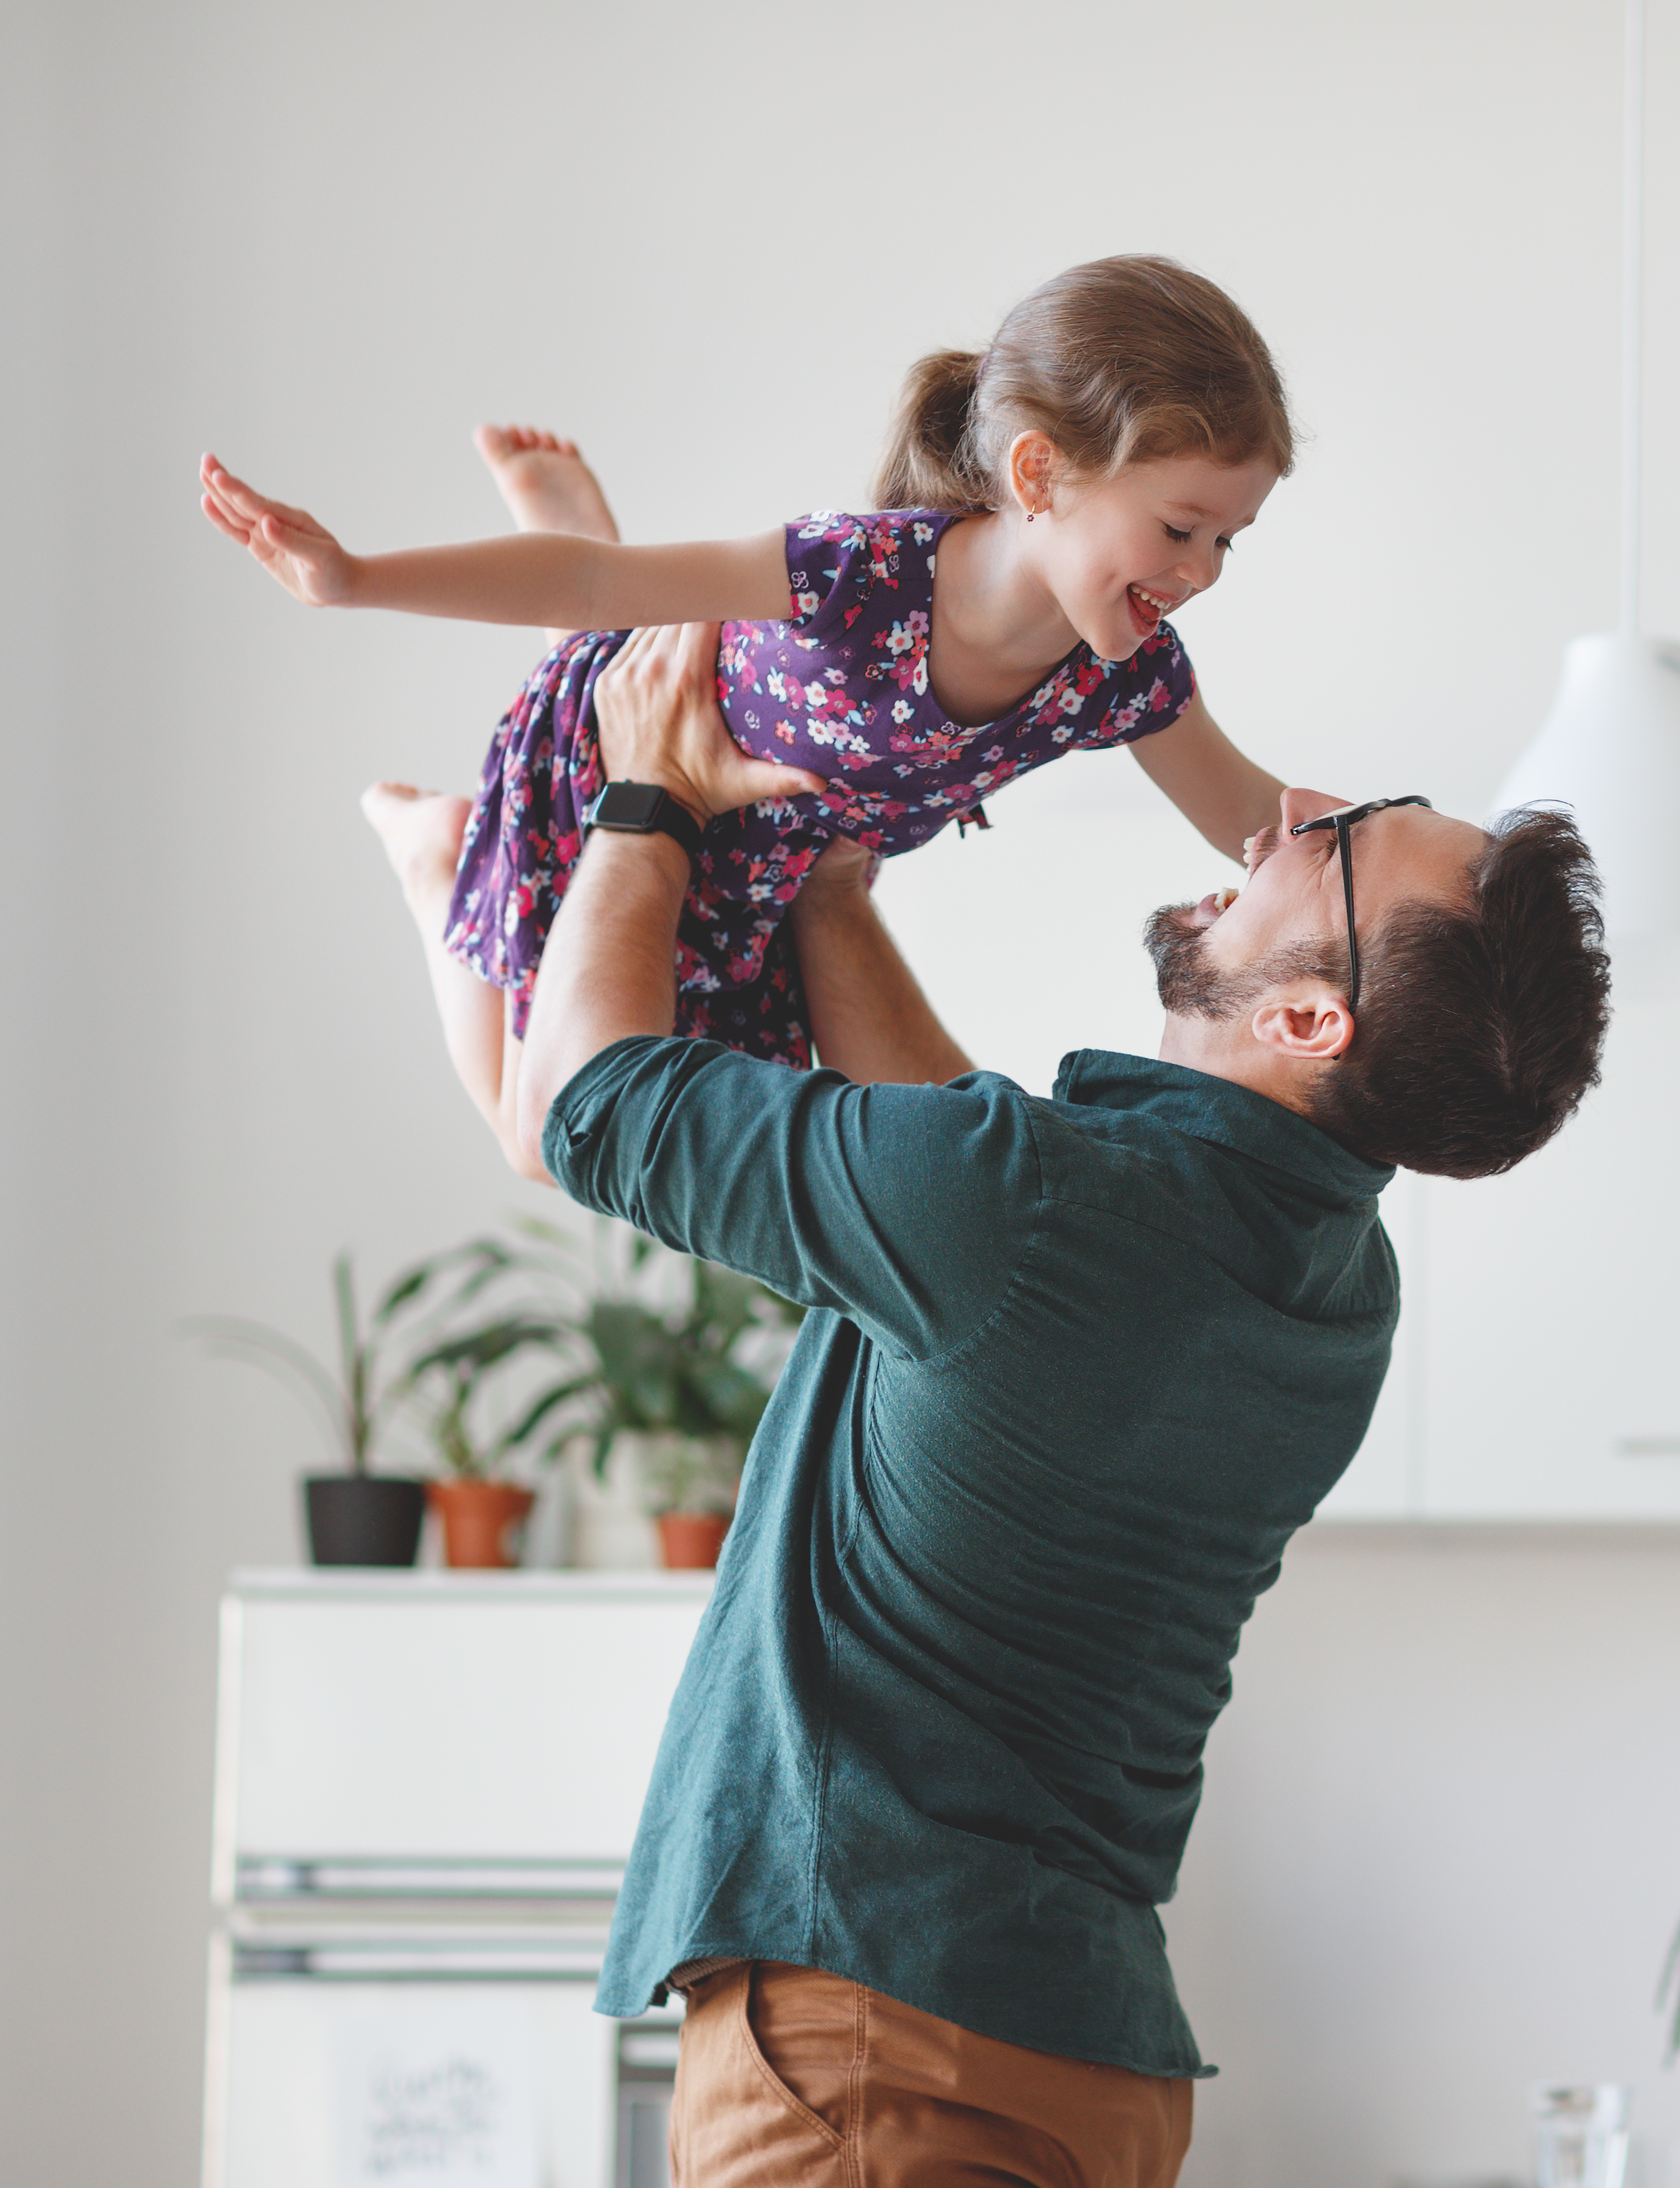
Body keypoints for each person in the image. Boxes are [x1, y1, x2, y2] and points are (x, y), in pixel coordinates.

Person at [512, 615, 1610, 2185]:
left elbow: (582, 1096)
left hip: (875, 2048)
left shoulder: (1029, 1209)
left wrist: (649, 797)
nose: (1293, 814)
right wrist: (827, 887)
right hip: (1078, 2064)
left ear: (1312, 1018)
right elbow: (970, 1213)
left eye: (1345, 842)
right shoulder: (1330, 1286)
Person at [199, 254, 1306, 1173]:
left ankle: (590, 629)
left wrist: (1462, 860)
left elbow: (1259, 815)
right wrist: (352, 577)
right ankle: (435, 856)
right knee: (542, 1145)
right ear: (1039, 472)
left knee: (626, 1133)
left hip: (758, 884)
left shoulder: (1124, 676)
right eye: (1179, 529)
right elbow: (587, 580)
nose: (1204, 571)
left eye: (1230, 539)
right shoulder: (862, 574)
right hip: (613, 776)